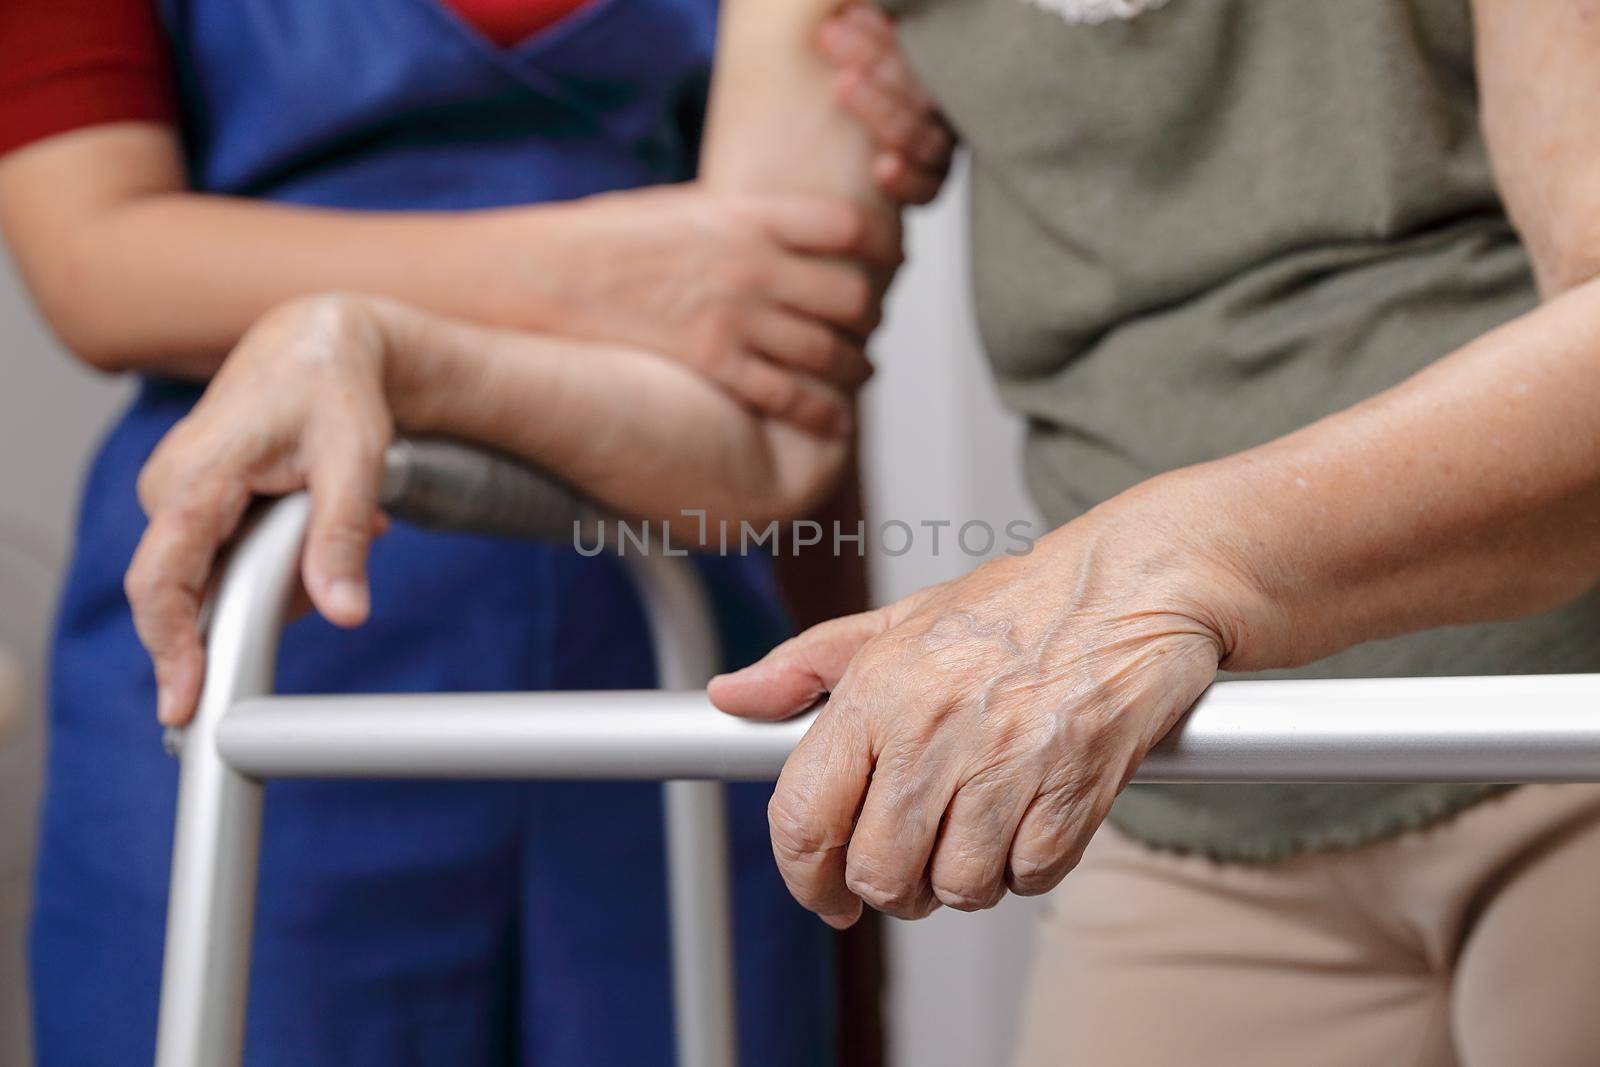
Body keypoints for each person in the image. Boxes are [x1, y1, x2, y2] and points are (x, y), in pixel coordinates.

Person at [0, 1, 949, 1063]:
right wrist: (600, 270)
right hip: (271, 624)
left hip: (676, 656)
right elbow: (91, 256)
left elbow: (780, 373)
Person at [703, 1, 1600, 1064]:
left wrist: (1168, 565)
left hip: (1553, 719)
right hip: (1180, 796)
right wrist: (450, 349)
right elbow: (747, 428)